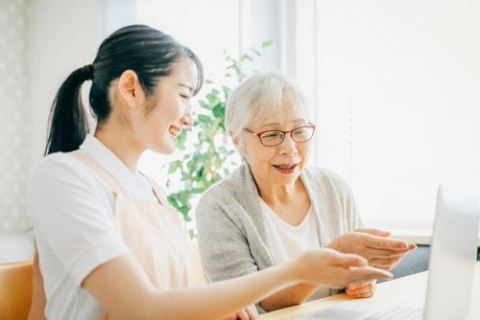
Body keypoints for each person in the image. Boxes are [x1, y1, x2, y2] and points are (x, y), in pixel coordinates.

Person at [27, 25, 393, 320]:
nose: (189, 117)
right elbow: (140, 308)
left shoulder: (152, 191)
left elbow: (172, 298)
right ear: (130, 88)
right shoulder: (62, 177)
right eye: (184, 95)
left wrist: (219, 306)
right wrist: (298, 269)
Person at [196, 72, 416, 313]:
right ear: (237, 141)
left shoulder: (334, 187)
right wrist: (335, 254)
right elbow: (249, 305)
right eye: (271, 135)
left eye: (299, 131)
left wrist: (361, 280)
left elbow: (354, 275)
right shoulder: (218, 207)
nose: (289, 149)